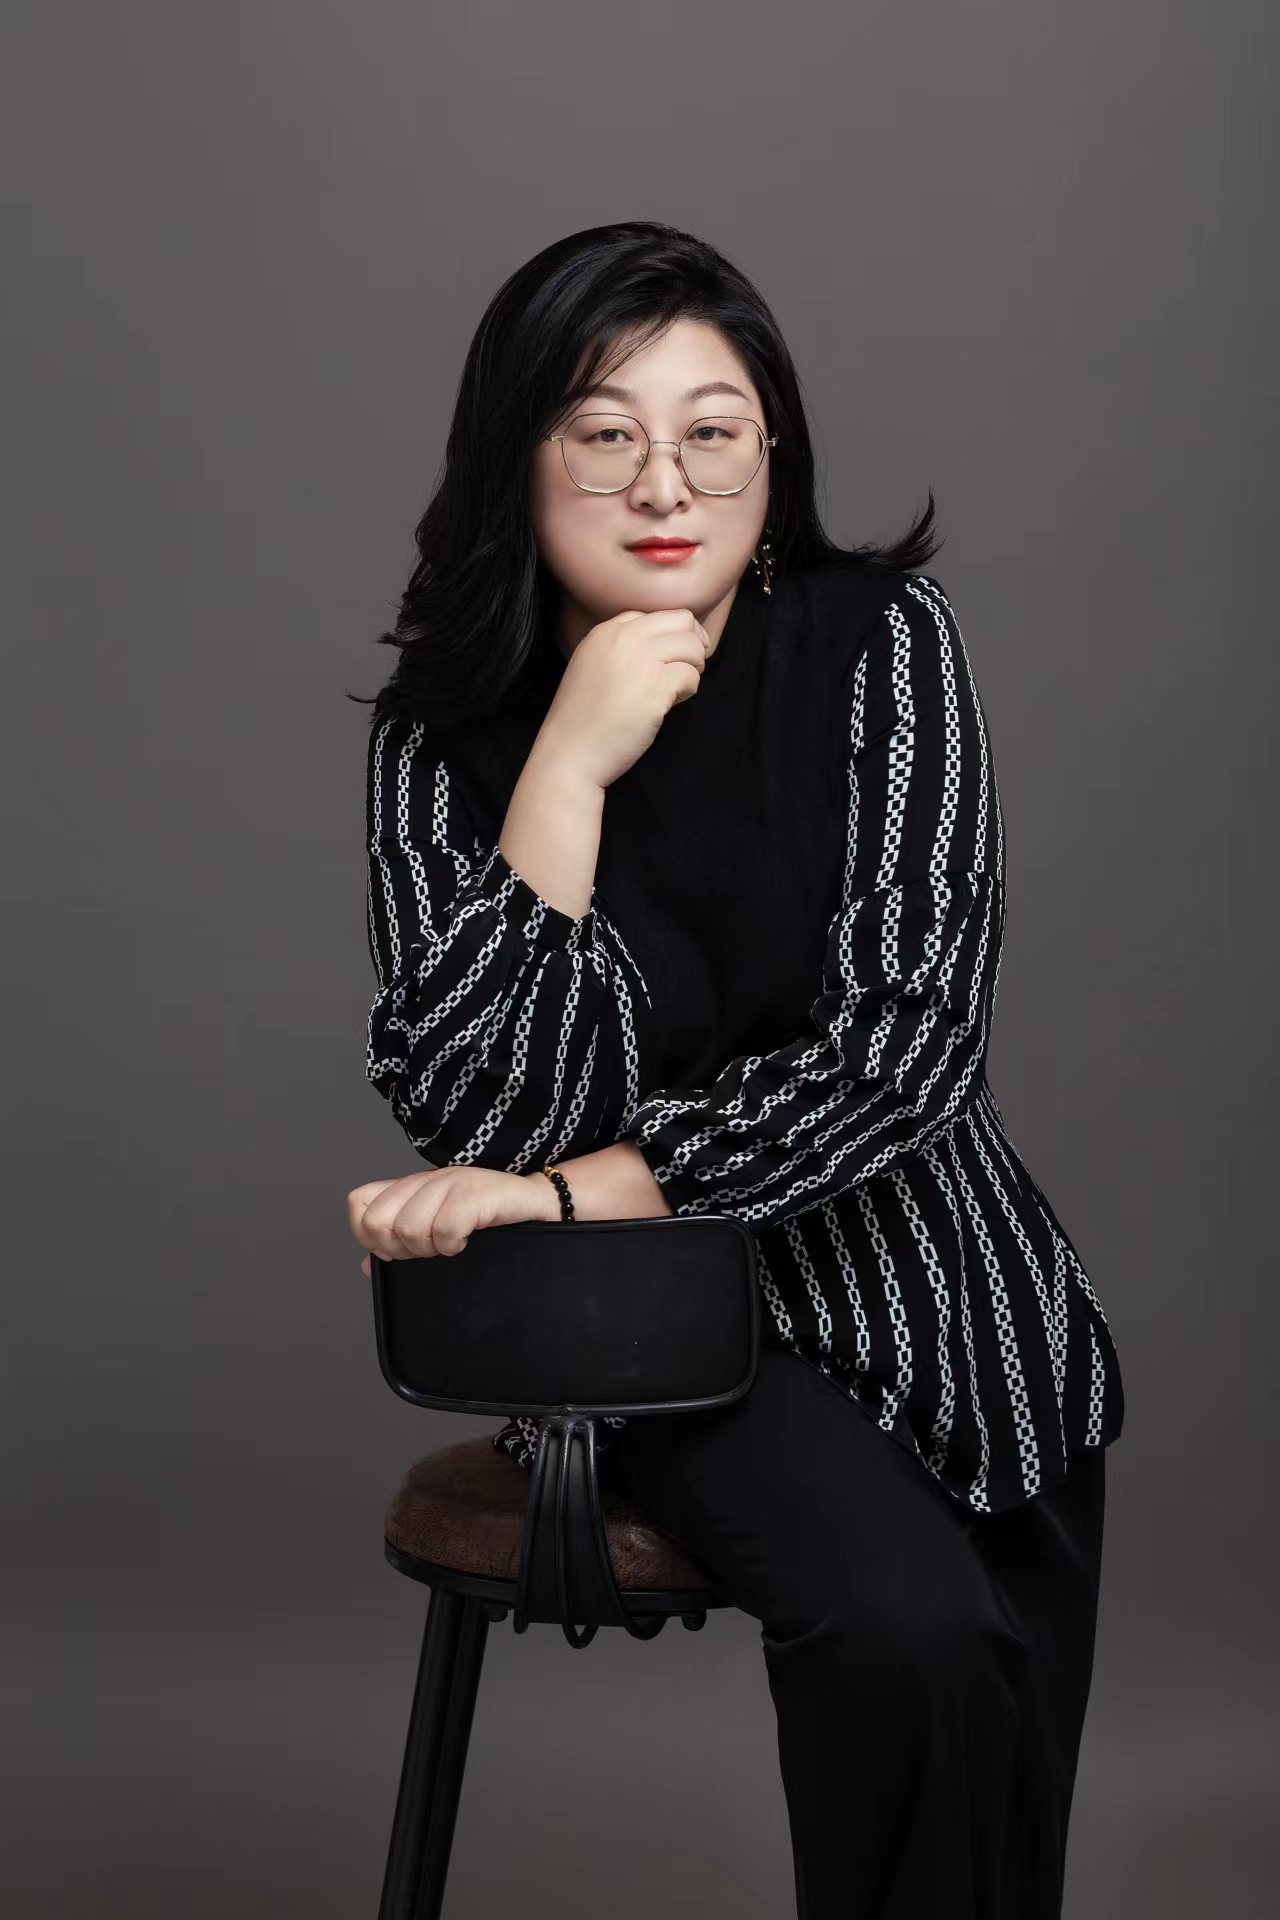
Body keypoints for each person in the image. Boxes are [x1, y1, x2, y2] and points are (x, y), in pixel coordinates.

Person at [347, 220, 1125, 1919]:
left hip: (940, 1292)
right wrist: (569, 766)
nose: (665, 484)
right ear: (519, 456)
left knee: (994, 1714)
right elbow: (479, 1109)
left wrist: (579, 1192)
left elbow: (906, 1047)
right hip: (663, 1334)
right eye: (602, 432)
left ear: (774, 450)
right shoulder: (443, 736)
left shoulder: (879, 643)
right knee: (908, 1635)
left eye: (713, 430)